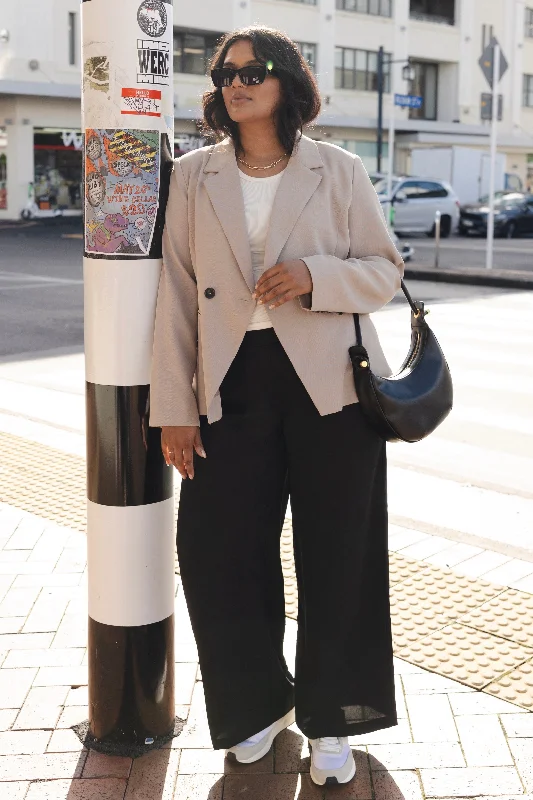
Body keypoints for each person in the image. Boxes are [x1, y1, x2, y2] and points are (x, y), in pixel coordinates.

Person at [150, 26, 404, 787]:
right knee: (216, 552)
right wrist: (174, 407)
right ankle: (256, 707)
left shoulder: (339, 169)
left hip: (329, 387)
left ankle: (333, 718)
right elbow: (173, 295)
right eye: (224, 72)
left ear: (287, 81)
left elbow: (384, 270)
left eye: (254, 70)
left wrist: (313, 275)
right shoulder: (194, 175)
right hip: (230, 384)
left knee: (339, 556)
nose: (237, 81)